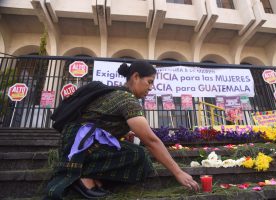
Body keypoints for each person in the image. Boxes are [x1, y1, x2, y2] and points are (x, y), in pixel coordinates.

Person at [44, 61, 199, 199]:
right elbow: (151, 141)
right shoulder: (127, 99)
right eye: (149, 82)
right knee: (139, 154)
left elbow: (99, 120)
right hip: (79, 145)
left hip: (74, 142)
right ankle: (83, 176)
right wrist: (178, 172)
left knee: (133, 151)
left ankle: (88, 175)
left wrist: (123, 132)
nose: (151, 88)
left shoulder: (117, 93)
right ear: (136, 76)